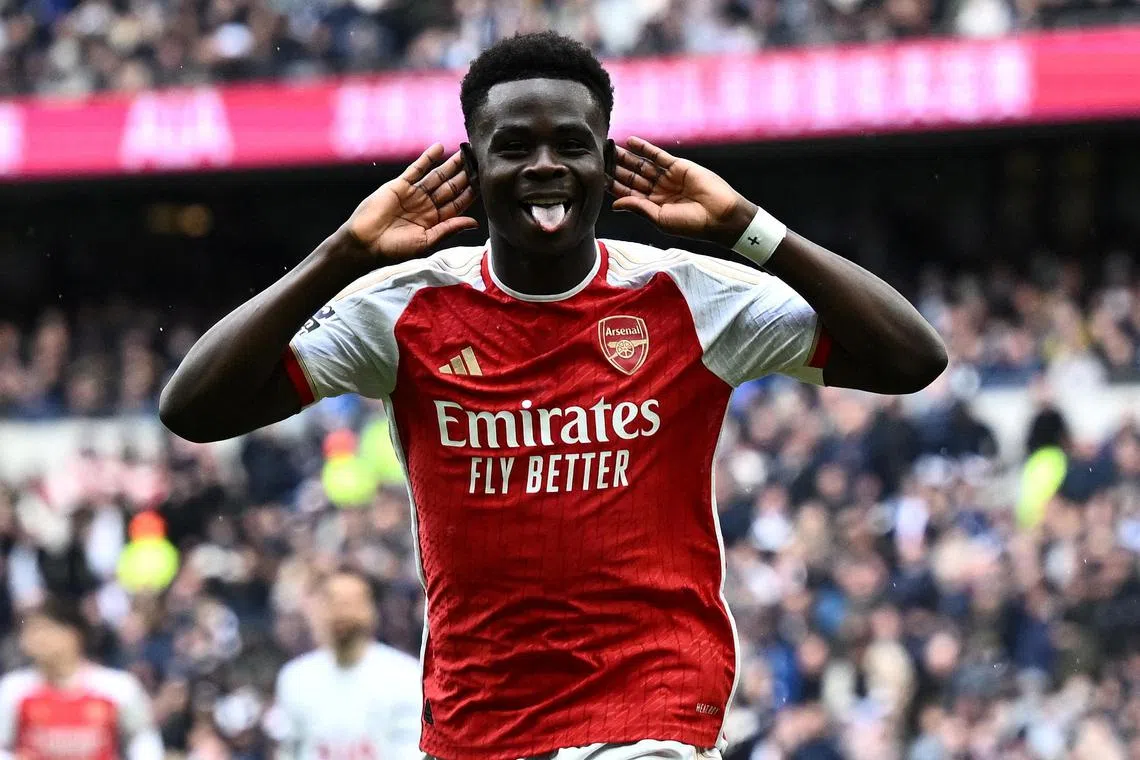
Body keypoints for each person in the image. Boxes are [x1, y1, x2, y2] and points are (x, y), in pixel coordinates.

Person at [159, 30, 946, 760]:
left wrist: (749, 227)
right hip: (478, 722)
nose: (546, 164)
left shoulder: (689, 298)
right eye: (515, 146)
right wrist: (341, 254)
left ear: (605, 161)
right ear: (473, 166)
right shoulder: (402, 310)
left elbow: (910, 358)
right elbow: (193, 410)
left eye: (573, 144)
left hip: (652, 709)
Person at [266, 570, 422, 760]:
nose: (341, 612)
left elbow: (410, 751)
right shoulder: (295, 678)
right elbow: (288, 751)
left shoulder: (405, 676)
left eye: (350, 602)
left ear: (371, 610)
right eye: (332, 601)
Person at [0, 596, 163, 760]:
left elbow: (143, 739)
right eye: (28, 632)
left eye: (42, 630)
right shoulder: (13, 689)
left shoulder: (118, 687)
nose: (32, 640)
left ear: (72, 634)